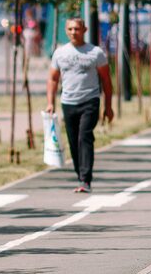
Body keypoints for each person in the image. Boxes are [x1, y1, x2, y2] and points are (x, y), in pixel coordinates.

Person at [46, 16, 114, 193]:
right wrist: (50, 103)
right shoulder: (60, 53)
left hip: (90, 101)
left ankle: (85, 179)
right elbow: (53, 79)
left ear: (84, 30)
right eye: (70, 29)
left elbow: (106, 80)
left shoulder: (95, 53)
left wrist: (108, 106)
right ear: (66, 31)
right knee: (73, 141)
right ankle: (80, 175)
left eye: (77, 29)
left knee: (84, 136)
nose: (73, 32)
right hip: (68, 102)